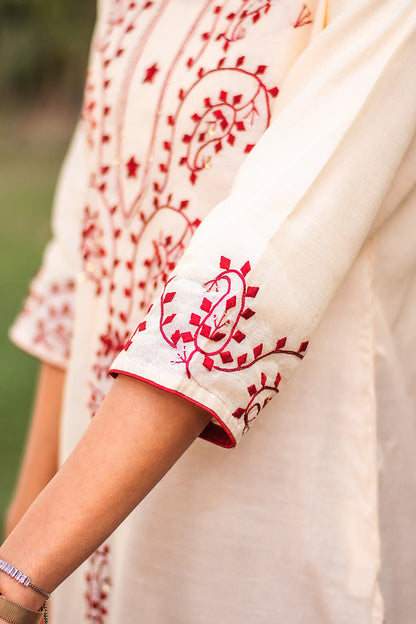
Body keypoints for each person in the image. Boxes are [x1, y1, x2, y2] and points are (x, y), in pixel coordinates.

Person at [2, 0, 416, 622]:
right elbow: (81, 245)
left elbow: (262, 257)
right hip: (73, 537)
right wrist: (24, 531)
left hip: (274, 522)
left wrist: (21, 573)